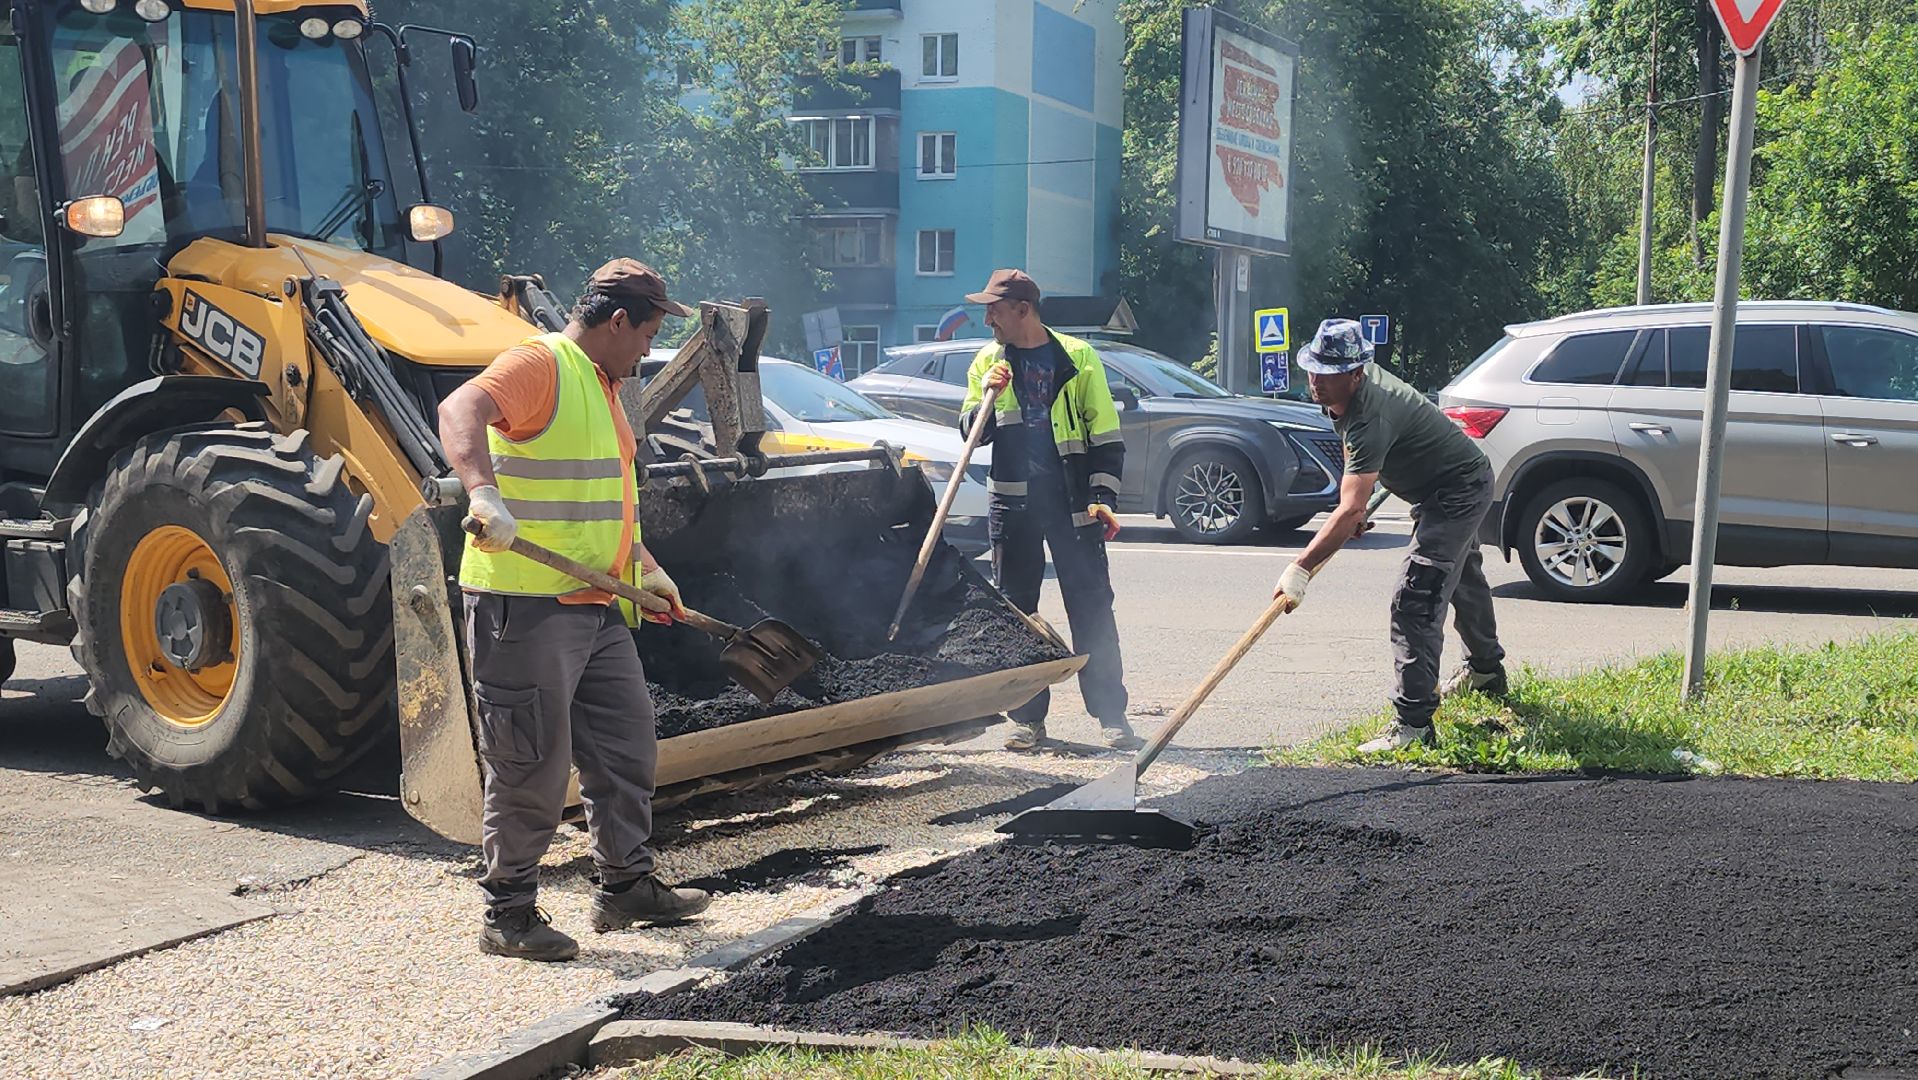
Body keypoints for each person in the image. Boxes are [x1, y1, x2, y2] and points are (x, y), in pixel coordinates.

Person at [438, 259, 712, 962]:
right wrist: (483, 494)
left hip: (597, 603)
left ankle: (625, 886)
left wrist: (648, 569)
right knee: (530, 763)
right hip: (524, 603)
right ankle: (508, 914)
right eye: (647, 334)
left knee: (627, 745)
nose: (648, 349)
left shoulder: (604, 385)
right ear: (618, 321)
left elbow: (603, 501)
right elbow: (459, 410)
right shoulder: (542, 364)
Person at [1272, 319, 1509, 753]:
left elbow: (1350, 500)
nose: (1316, 382)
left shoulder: (1370, 411)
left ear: (1355, 374)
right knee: (1463, 580)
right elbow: (1357, 465)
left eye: (1328, 374)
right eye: (1313, 370)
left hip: (1457, 492)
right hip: (1448, 485)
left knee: (1416, 597)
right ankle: (1486, 673)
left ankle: (1413, 725)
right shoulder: (1346, 396)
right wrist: (1357, 505)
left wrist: (1300, 569)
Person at [957, 268, 1137, 751]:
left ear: (1024, 309)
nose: (988, 320)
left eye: (995, 310)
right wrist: (988, 397)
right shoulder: (986, 361)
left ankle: (1111, 716)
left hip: (1073, 504)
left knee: (1091, 607)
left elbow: (1105, 435)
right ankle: (1027, 720)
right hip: (1013, 502)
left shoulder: (1077, 358)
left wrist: (1103, 499)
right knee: (1018, 612)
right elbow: (972, 433)